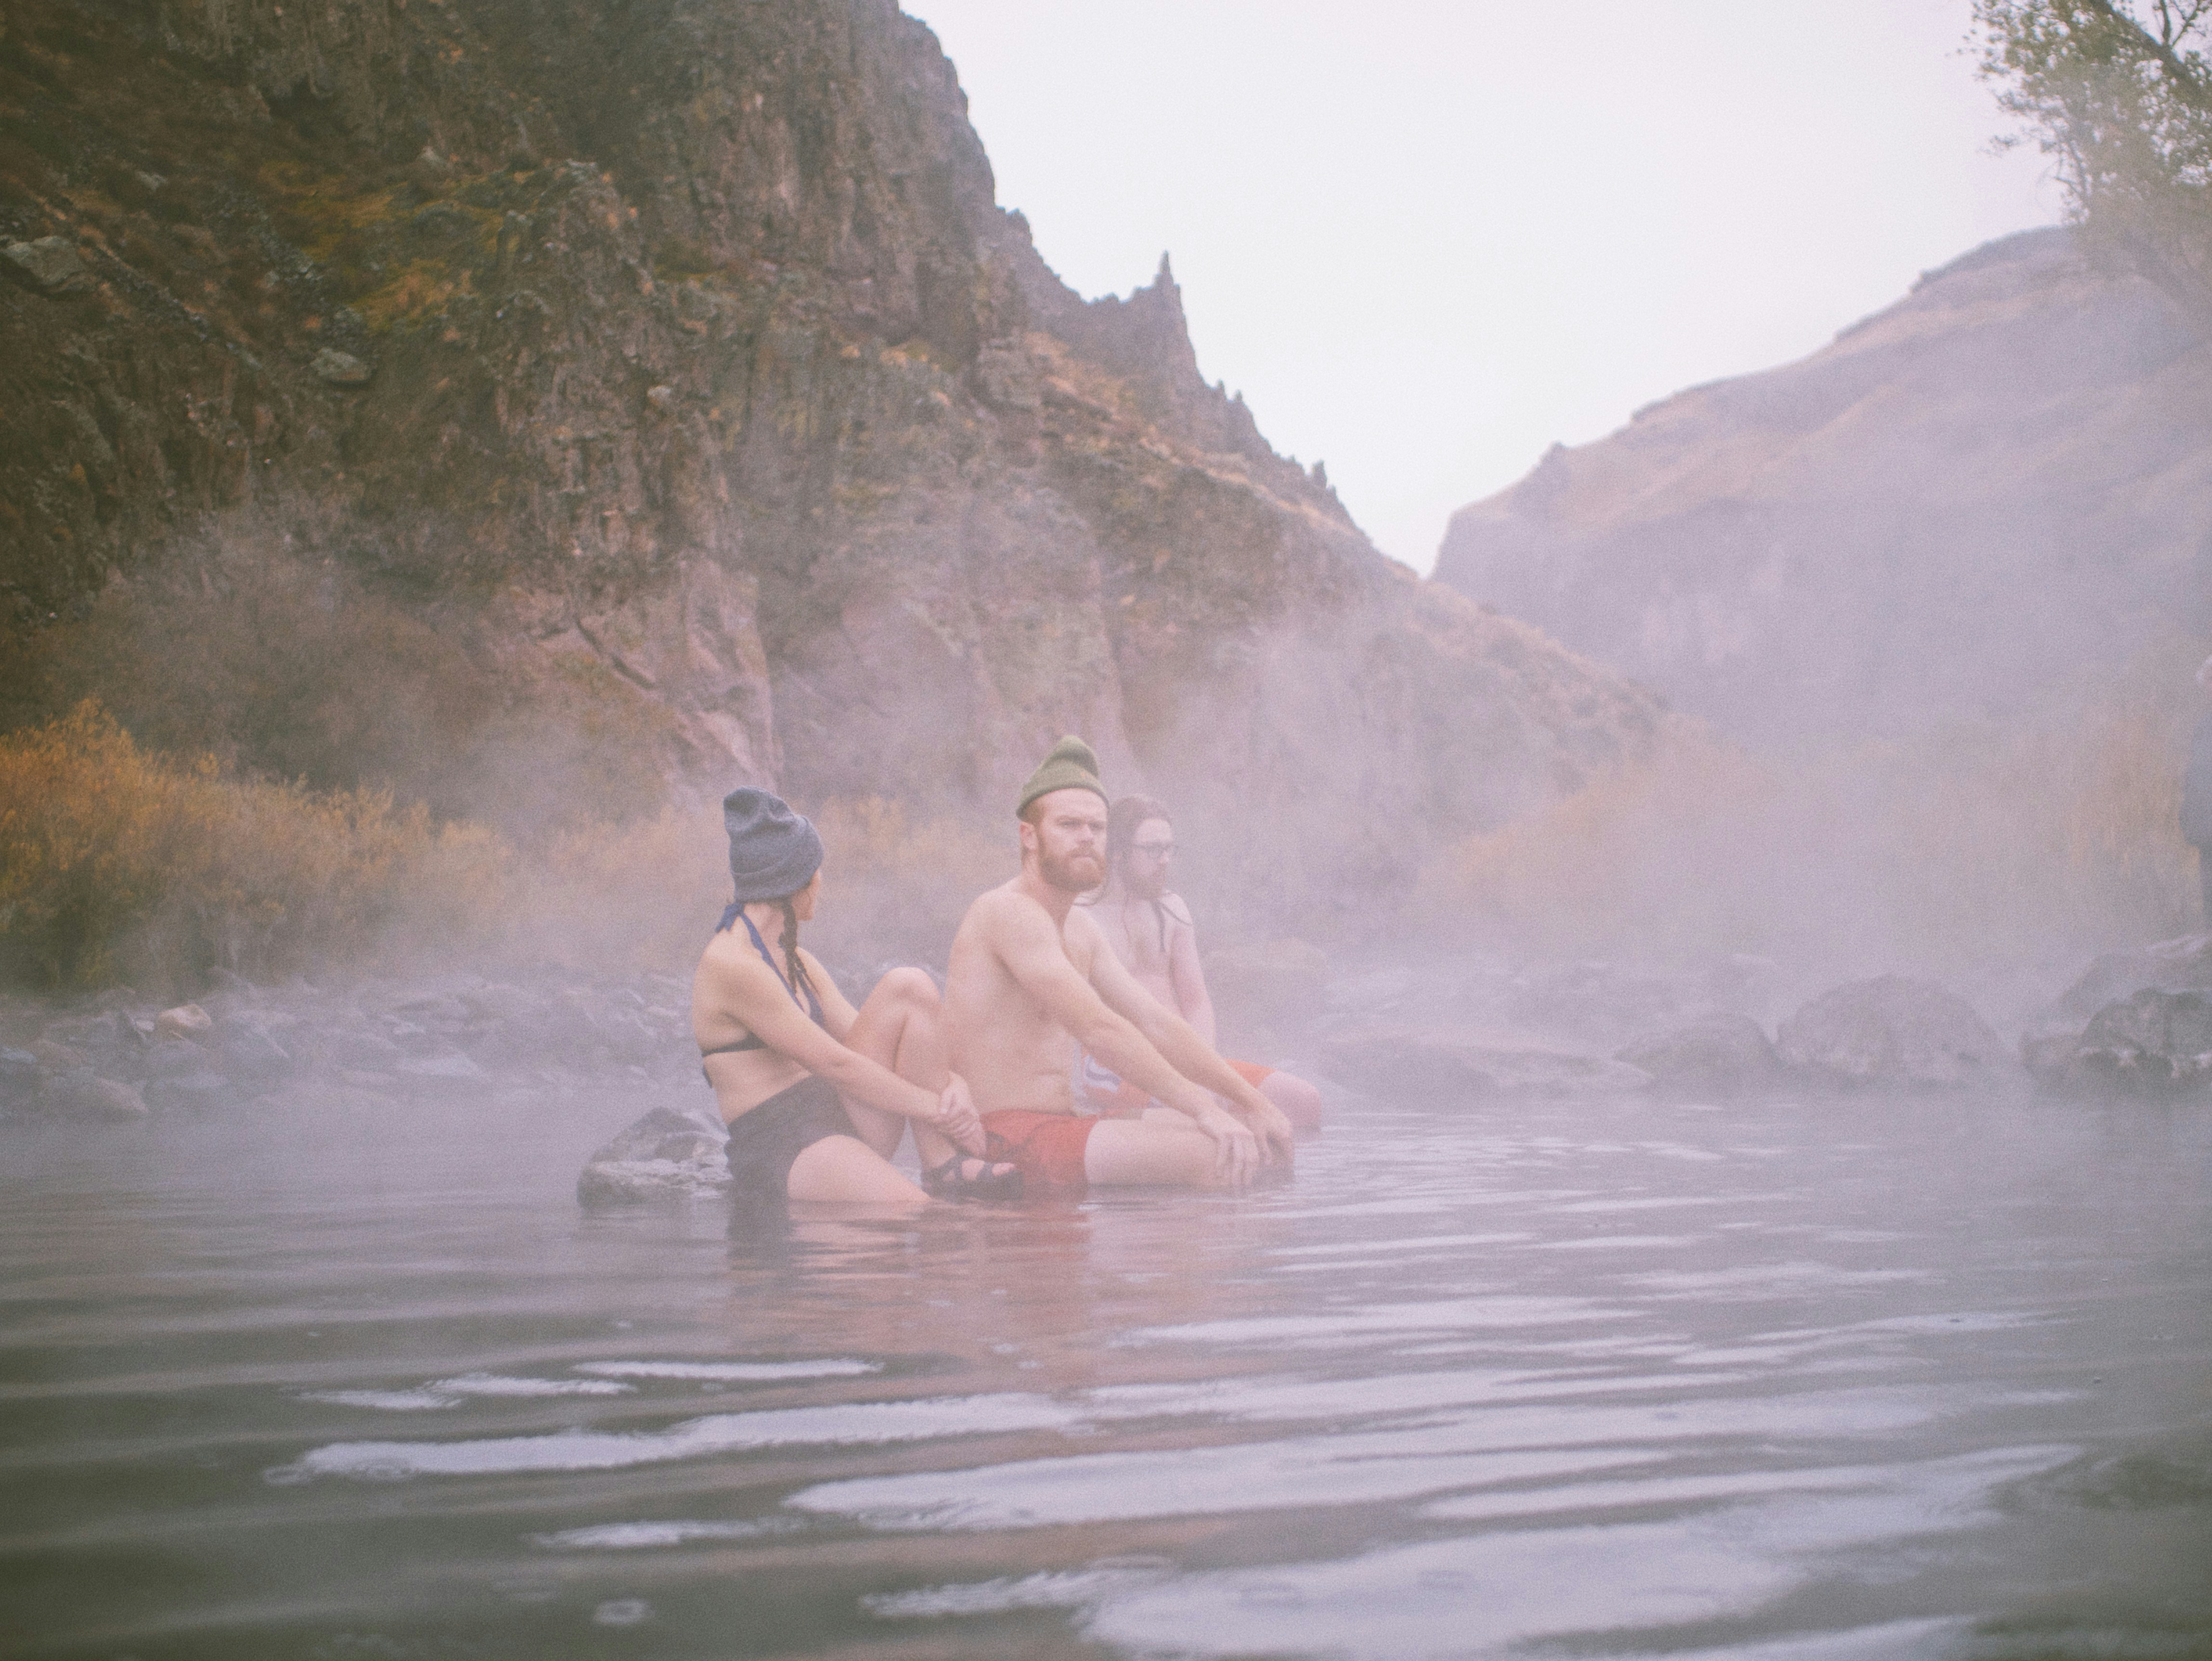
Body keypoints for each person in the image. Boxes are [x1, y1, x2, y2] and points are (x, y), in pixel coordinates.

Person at [943, 737, 1298, 1196]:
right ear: (1029, 837)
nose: (1087, 837)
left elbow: (1156, 1022)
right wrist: (1205, 1108)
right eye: (1069, 825)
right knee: (1219, 1156)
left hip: (1062, 1121)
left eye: (1097, 826)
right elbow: (1099, 1029)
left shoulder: (1080, 929)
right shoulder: (1007, 911)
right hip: (1004, 1132)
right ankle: (1183, 1268)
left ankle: (1157, 1264)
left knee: (1259, 1143)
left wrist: (1248, 1102)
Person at [693, 788, 1022, 1211]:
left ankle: (943, 1164)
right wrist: (941, 1109)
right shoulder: (732, 965)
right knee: (928, 1217)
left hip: (833, 1111)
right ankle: (934, 1191)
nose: (822, 883)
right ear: (796, 880)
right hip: (783, 1143)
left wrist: (955, 1087)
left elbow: (861, 1043)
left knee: (910, 986)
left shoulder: (797, 960)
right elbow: (837, 1064)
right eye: (817, 871)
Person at [1080, 794, 1326, 1133]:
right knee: (1198, 1120)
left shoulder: (1172, 908)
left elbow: (1196, 1003)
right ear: (1119, 852)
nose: (1165, 860)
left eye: (1170, 849)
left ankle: (1270, 1182)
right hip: (1117, 1066)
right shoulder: (1081, 919)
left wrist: (1205, 1071)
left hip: (1183, 1057)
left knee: (1302, 1102)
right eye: (1153, 850)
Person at [2184, 655, 2212, 930]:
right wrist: (2188, 816)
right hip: (2207, 829)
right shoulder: (2204, 726)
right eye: (2208, 682)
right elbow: (2196, 775)